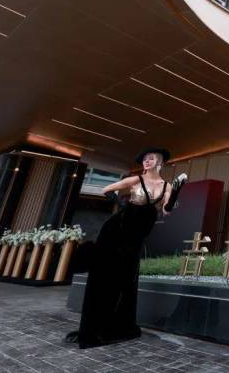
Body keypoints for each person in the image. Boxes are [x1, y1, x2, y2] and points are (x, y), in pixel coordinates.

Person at [65, 147, 184, 349]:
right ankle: (94, 327)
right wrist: (120, 204)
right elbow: (106, 189)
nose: (146, 161)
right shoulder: (136, 180)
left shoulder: (166, 187)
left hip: (136, 235)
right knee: (105, 274)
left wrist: (176, 193)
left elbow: (166, 210)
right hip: (116, 230)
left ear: (160, 162)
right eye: (144, 159)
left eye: (151, 158)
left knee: (127, 277)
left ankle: (118, 324)